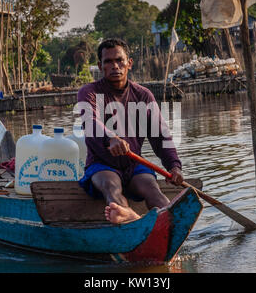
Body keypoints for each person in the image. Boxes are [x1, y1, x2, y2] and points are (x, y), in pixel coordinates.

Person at [77, 38, 183, 224]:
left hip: (134, 165)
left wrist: (174, 166)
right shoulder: (89, 92)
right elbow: (90, 121)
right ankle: (129, 220)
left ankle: (170, 226)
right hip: (102, 165)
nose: (115, 66)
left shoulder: (143, 95)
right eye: (108, 62)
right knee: (112, 187)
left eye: (119, 60)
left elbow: (160, 136)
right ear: (100, 66)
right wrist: (110, 138)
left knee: (153, 189)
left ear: (129, 63)